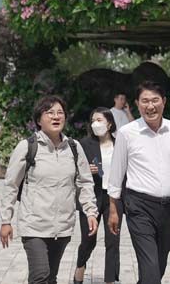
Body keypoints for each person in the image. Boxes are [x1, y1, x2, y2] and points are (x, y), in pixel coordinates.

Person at [107, 81, 170, 284]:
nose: (150, 106)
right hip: (139, 207)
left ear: (164, 102)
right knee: (151, 270)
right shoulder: (127, 133)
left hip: (169, 208)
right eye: (145, 101)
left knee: (158, 265)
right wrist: (113, 210)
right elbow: (116, 175)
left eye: (155, 100)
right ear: (137, 103)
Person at [0, 96, 98, 284]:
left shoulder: (74, 148)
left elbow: (85, 182)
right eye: (50, 112)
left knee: (51, 277)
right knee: (40, 276)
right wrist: (6, 220)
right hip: (34, 225)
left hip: (62, 227)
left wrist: (91, 211)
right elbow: (11, 185)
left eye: (60, 113)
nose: (56, 116)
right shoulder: (27, 147)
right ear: (38, 120)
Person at [73, 108, 122, 284]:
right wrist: (85, 169)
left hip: (113, 198)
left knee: (113, 241)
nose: (96, 124)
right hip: (91, 196)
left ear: (109, 123)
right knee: (88, 239)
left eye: (99, 120)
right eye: (93, 120)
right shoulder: (84, 144)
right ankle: (80, 266)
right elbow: (73, 169)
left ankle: (110, 279)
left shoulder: (120, 143)